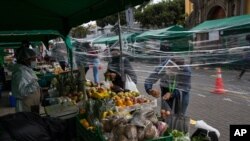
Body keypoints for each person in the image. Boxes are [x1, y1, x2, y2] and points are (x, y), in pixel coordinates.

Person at [11, 47, 41, 113]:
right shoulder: (20, 72)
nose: (35, 61)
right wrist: (35, 84)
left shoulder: (27, 69)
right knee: (28, 122)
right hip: (25, 105)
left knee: (35, 121)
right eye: (33, 59)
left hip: (32, 102)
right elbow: (22, 92)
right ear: (25, 59)